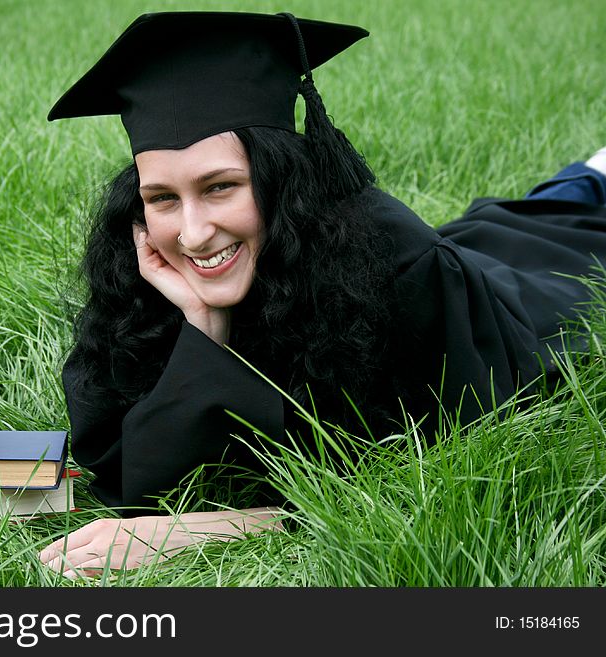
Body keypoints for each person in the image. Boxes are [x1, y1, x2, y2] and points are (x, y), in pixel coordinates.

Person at [38, 11, 606, 577]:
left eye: (221, 187)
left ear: (284, 180)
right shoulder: (147, 271)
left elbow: (414, 482)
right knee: (522, 213)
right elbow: (129, 478)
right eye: (162, 197)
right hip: (469, 240)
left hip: (527, 286)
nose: (191, 232)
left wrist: (207, 529)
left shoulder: (402, 273)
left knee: (560, 225)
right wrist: (202, 328)